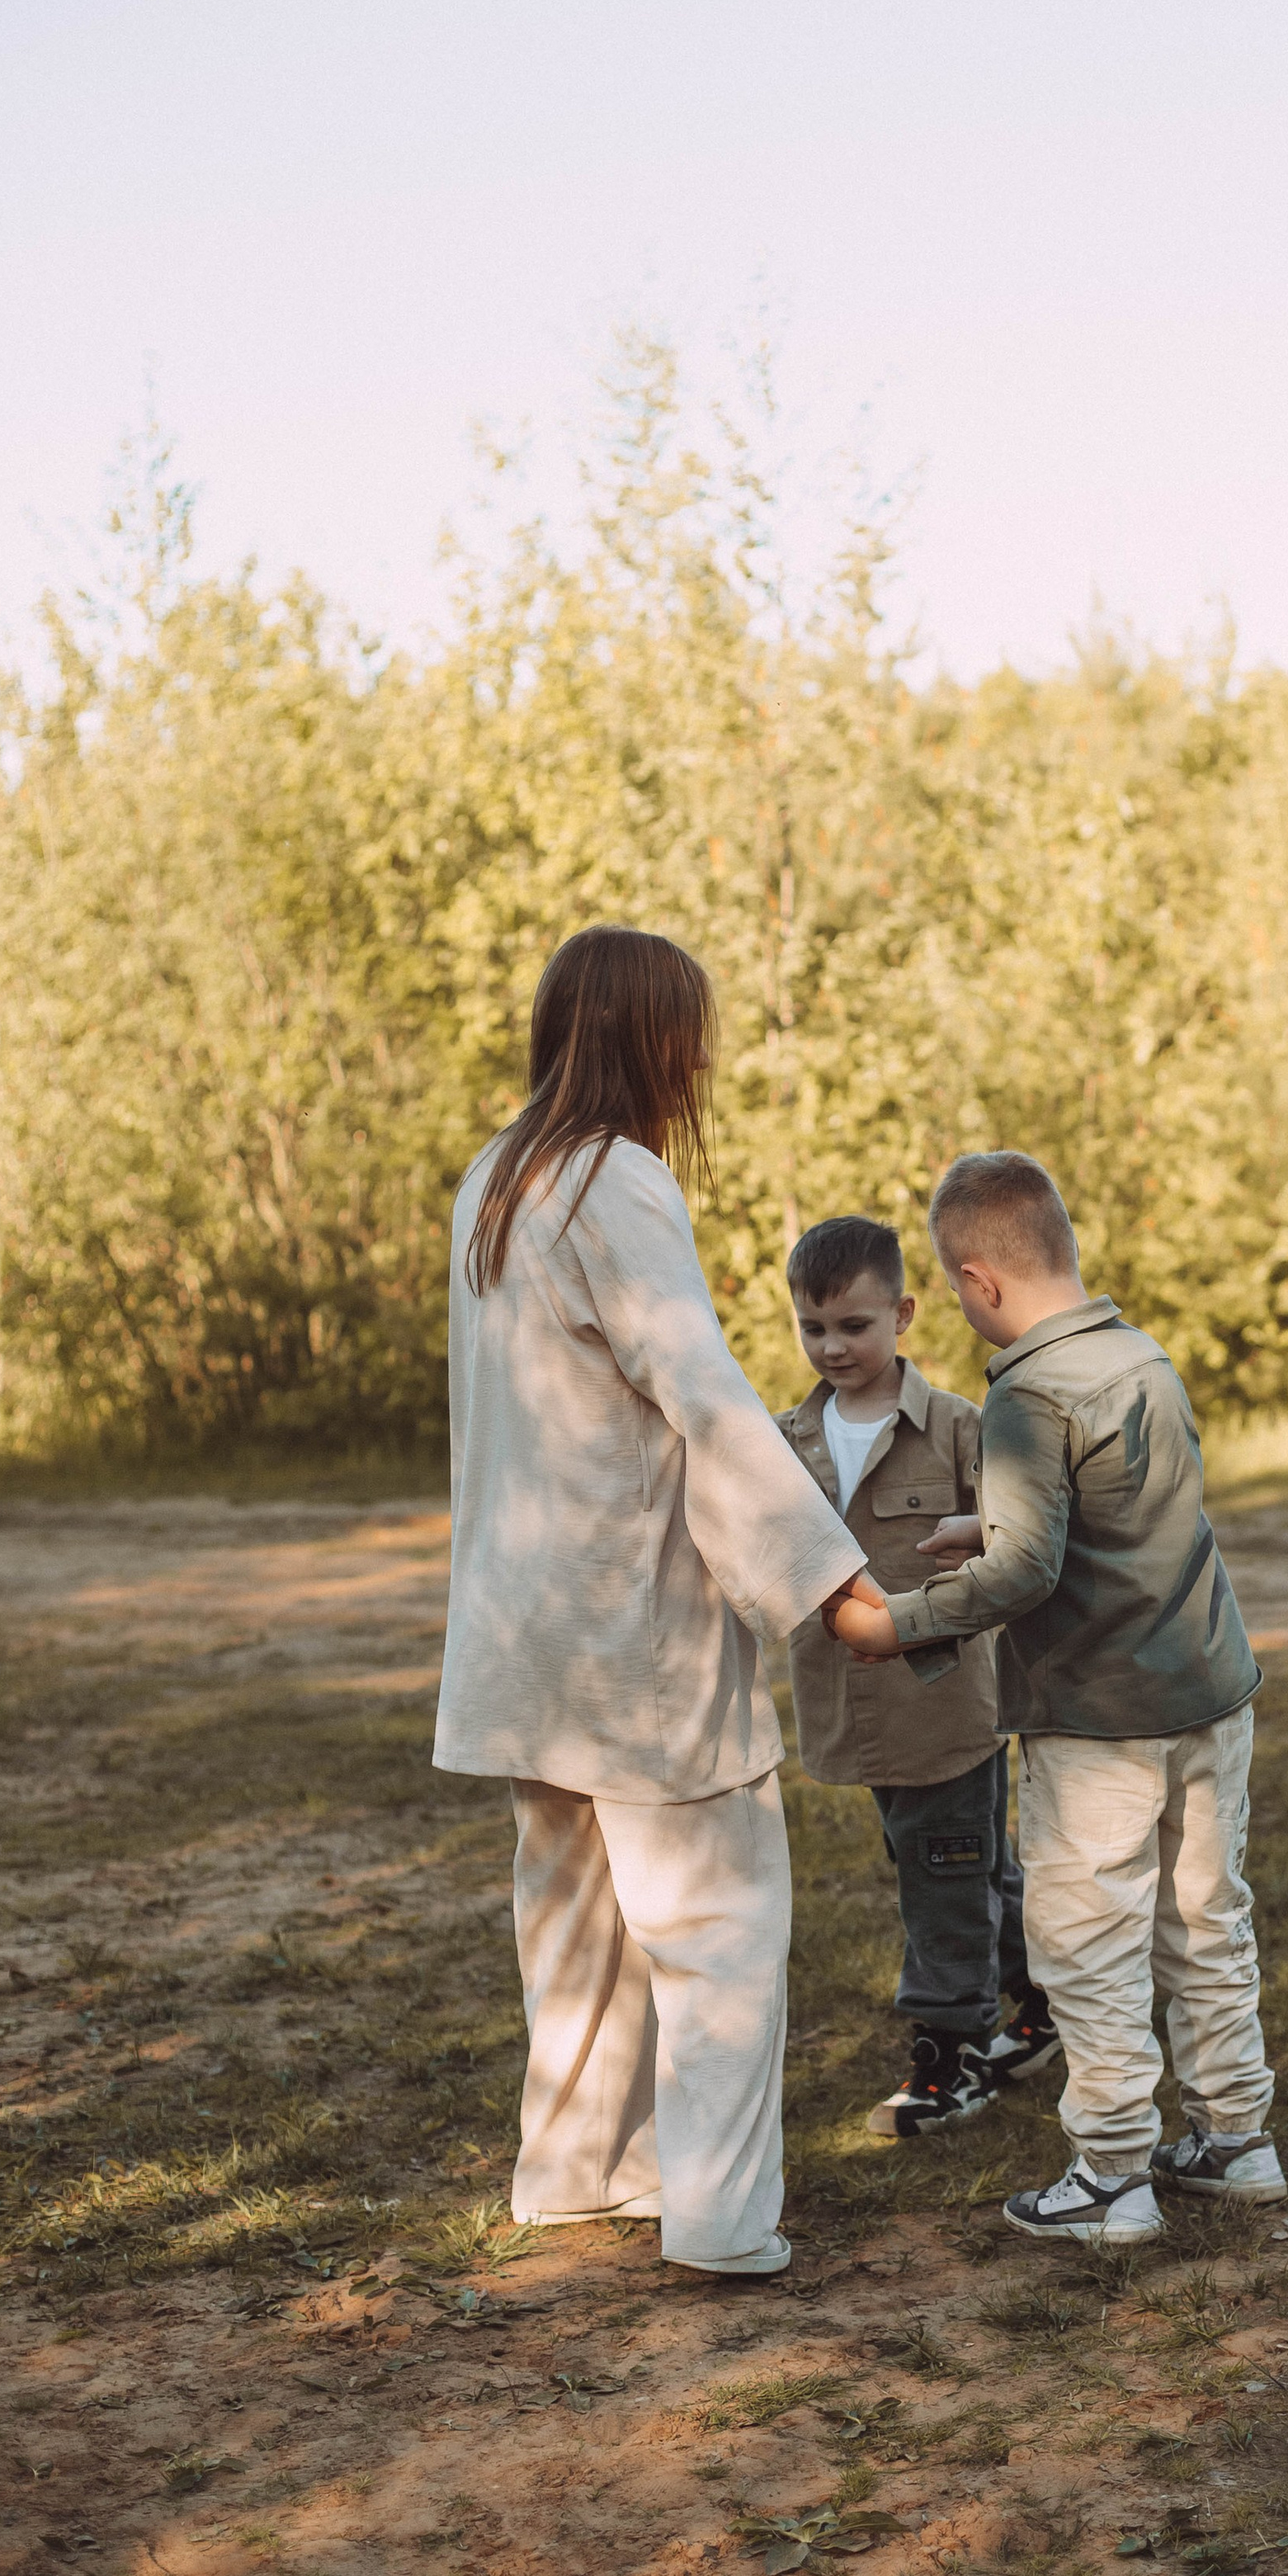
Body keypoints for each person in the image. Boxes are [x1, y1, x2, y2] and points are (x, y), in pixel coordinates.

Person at [433, 926, 875, 2279]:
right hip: (630, 1633)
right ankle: (722, 2222)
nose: (701, 1058)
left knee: (571, 1915)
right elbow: (703, 1398)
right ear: (648, 1038)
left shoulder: (494, 1177)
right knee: (717, 1926)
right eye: (690, 1031)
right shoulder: (614, 1182)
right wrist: (830, 1580)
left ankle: (581, 2173)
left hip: (524, 1628)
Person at [824, 1149, 1281, 2249]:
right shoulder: (1142, 1357)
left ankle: (1114, 2173)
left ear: (978, 1282)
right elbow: (1128, 1514)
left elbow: (1029, 1577)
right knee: (1207, 1924)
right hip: (1210, 1696)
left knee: (1088, 1941)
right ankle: (1236, 2140)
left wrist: (900, 1623)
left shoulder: (1027, 1393)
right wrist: (987, 1525)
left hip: (1102, 1720)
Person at [775, 1213, 1057, 2139]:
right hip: (854, 1713)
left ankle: (950, 2053)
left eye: (853, 1326)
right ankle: (1050, 1997)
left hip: (944, 1709)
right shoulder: (785, 1444)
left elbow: (1020, 1544)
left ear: (900, 1315)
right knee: (965, 1866)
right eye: (813, 1328)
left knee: (943, 1875)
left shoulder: (962, 1432)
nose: (832, 1346)